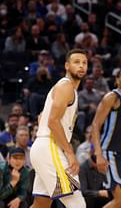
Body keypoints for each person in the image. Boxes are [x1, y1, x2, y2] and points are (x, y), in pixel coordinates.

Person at [30, 49, 88, 208]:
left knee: (41, 204)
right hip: (50, 148)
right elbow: (53, 121)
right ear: (67, 66)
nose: (81, 66)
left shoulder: (65, 88)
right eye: (76, 62)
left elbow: (42, 116)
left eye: (84, 63)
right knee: (77, 204)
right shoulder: (66, 86)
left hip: (43, 148)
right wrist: (70, 153)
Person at [91, 68, 121, 208]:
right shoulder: (112, 97)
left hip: (117, 154)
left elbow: (120, 135)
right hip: (107, 152)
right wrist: (98, 153)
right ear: (117, 80)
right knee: (120, 200)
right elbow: (95, 125)